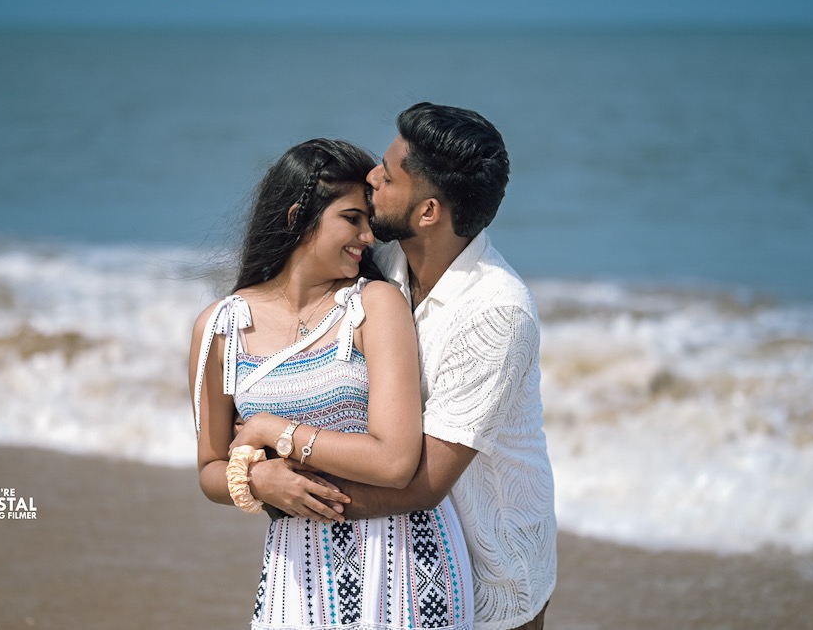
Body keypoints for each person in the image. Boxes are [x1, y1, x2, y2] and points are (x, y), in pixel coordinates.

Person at [239, 103, 557, 630]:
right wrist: (252, 468)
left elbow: (423, 482)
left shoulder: (496, 312)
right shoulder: (382, 264)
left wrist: (283, 496)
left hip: (491, 579)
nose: (371, 178)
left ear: (428, 212)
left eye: (387, 177)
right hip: (395, 572)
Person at [190, 138, 474, 629]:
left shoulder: (374, 306)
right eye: (352, 219)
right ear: (300, 215)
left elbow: (395, 460)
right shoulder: (221, 327)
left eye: (369, 220)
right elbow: (211, 468)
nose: (370, 236)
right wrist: (256, 480)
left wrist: (270, 430)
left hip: (404, 563)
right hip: (297, 571)